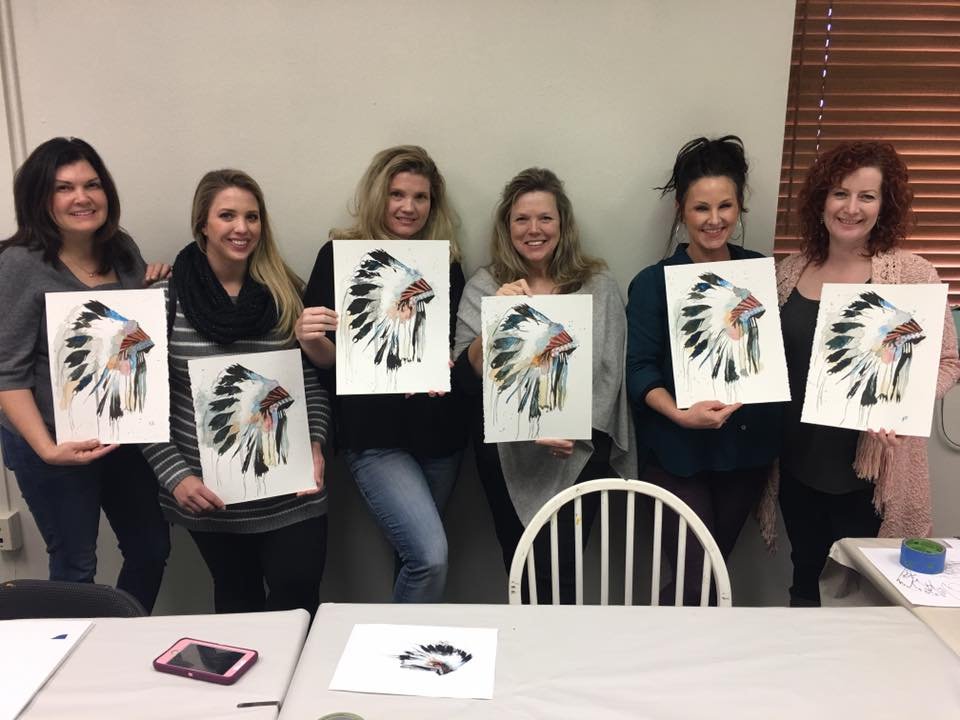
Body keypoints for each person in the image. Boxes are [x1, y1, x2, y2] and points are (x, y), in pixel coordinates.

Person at [776, 140, 960, 606]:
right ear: (821, 199)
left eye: (867, 196)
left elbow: (947, 362)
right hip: (798, 465)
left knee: (864, 598)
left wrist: (906, 408)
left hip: (871, 473)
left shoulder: (911, 275)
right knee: (805, 580)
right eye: (840, 193)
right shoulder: (789, 272)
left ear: (886, 204)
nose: (851, 208)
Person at [142, 169, 330, 617]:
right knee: (237, 604)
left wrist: (317, 444)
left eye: (252, 216)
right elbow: (144, 407)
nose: (241, 228)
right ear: (202, 224)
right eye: (227, 215)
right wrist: (176, 478)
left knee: (299, 602)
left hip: (293, 493)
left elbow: (312, 385)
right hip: (211, 497)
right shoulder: (165, 299)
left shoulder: (287, 293)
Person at [0, 137, 170, 612]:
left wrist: (150, 288)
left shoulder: (122, 252)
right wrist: (49, 450)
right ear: (40, 198)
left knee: (151, 548)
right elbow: (6, 374)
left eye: (92, 184)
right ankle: (76, 669)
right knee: (75, 565)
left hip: (119, 434)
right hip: (49, 440)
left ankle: (118, 639)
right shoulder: (19, 265)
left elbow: (130, 332)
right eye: (65, 187)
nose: (82, 197)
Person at [454, 167, 636, 603]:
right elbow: (465, 378)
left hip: (580, 450)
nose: (534, 229)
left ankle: (564, 665)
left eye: (545, 218)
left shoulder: (599, 287)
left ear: (563, 224)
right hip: (506, 453)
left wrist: (571, 427)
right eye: (522, 219)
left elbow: (610, 376)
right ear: (507, 227)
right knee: (519, 570)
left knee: (566, 574)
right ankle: (527, 663)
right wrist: (497, 320)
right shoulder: (485, 286)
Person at [298, 145, 466, 603]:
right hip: (374, 436)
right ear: (378, 196)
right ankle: (398, 660)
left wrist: (445, 363)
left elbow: (451, 345)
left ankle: (404, 659)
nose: (408, 207)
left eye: (421, 197)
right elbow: (330, 363)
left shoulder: (445, 264)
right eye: (397, 194)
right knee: (430, 556)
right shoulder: (339, 257)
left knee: (411, 556)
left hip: (439, 435)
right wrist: (312, 339)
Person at [626, 136, 781, 605]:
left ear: (739, 206)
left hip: (745, 450)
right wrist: (678, 414)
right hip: (678, 452)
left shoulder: (760, 274)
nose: (715, 220)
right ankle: (654, 658)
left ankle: (669, 661)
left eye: (725, 206)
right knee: (699, 579)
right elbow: (639, 370)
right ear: (681, 210)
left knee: (712, 578)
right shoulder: (654, 283)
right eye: (701, 208)